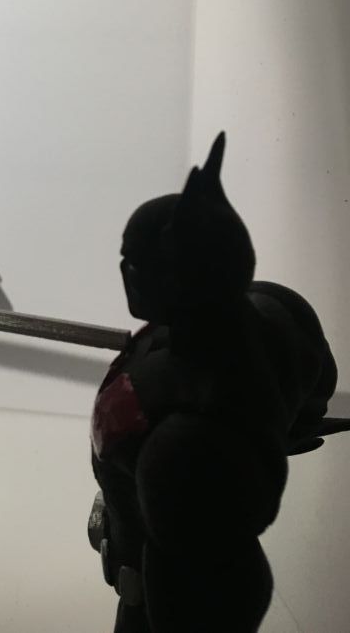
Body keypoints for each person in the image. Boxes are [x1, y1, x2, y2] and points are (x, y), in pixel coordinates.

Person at [89, 133, 350, 632]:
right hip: (137, 537)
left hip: (159, 586)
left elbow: (213, 585)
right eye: (128, 260)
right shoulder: (194, 336)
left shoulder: (190, 438)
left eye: (138, 263)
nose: (126, 272)